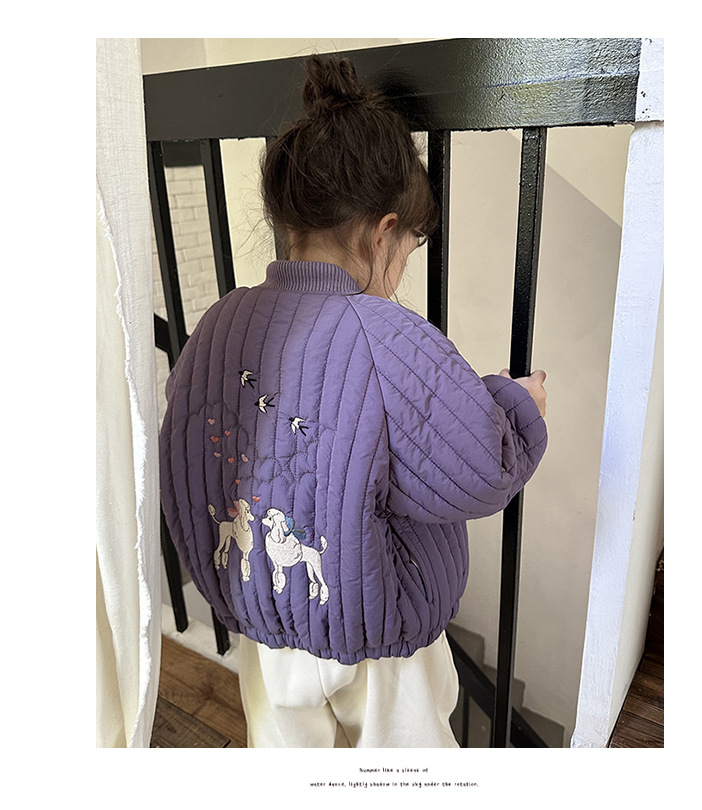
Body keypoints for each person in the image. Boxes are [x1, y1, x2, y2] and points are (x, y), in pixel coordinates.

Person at [159, 54, 548, 748]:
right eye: (408, 250)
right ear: (382, 232)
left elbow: (186, 439)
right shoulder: (386, 334)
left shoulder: (219, 323)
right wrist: (517, 404)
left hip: (261, 619)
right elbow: (481, 464)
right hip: (374, 635)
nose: (400, 271)